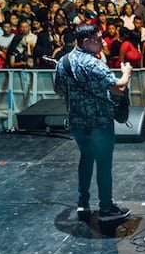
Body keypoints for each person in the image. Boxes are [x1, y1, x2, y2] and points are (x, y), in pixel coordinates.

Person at [53, 22, 132, 222]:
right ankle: (106, 208)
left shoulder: (64, 62)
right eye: (98, 40)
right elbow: (119, 87)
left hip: (77, 122)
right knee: (104, 163)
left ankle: (83, 204)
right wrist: (126, 73)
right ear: (87, 42)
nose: (103, 42)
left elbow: (58, 89)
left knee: (86, 158)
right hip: (99, 121)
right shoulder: (93, 63)